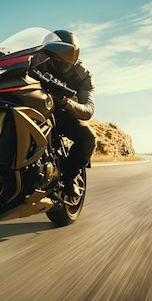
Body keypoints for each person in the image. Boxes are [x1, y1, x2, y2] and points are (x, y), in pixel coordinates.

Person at [43, 30, 97, 198]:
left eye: (59, 49)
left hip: (61, 113)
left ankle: (70, 176)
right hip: (33, 103)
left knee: (88, 137)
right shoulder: (37, 57)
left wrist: (65, 101)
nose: (53, 53)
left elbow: (88, 110)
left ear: (71, 52)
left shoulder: (82, 75)